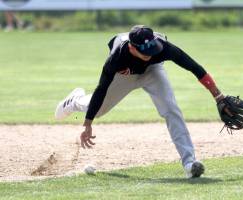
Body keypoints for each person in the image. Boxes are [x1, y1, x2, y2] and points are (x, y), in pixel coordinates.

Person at [55, 25, 226, 178]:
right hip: (125, 76)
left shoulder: (162, 48)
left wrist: (218, 96)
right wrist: (88, 122)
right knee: (97, 110)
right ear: (132, 47)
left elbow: (194, 67)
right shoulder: (117, 58)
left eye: (152, 48)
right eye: (144, 50)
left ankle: (190, 164)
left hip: (153, 72)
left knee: (171, 109)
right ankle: (75, 100)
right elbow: (102, 88)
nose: (149, 53)